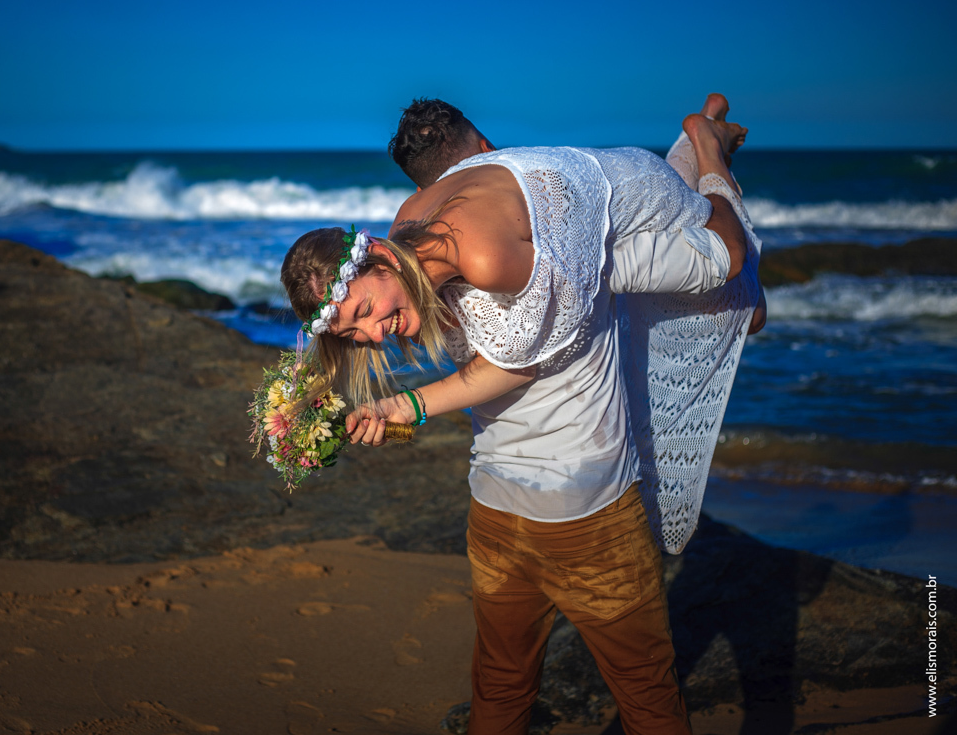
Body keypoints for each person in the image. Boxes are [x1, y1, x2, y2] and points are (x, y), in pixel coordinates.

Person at [279, 95, 762, 734]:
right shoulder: (432, 246)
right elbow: (495, 359)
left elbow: (514, 365)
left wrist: (410, 404)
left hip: (511, 509)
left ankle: (706, 149)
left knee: (504, 687)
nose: (372, 333)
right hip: (574, 513)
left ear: (376, 254)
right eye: (353, 329)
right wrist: (394, 409)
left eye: (364, 311)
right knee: (643, 696)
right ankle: (707, 149)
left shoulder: (493, 250)